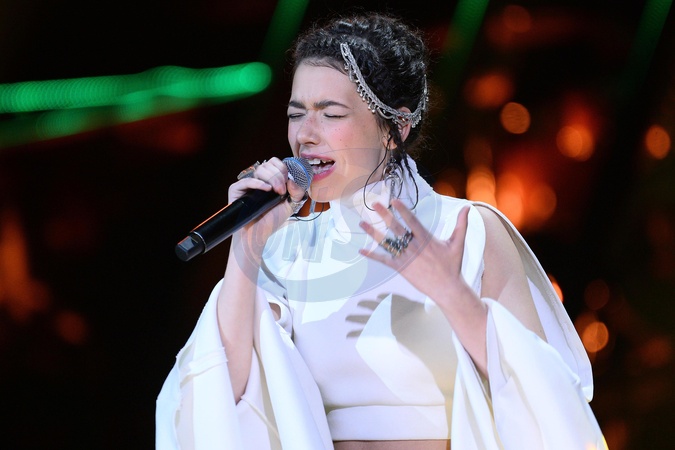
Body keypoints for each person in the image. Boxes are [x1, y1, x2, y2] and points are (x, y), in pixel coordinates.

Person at [156, 12, 607, 450]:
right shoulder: (288, 248)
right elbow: (216, 399)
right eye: (296, 114)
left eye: (331, 114)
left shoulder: (468, 230)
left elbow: (546, 397)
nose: (306, 135)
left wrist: (450, 292)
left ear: (396, 127)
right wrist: (248, 247)